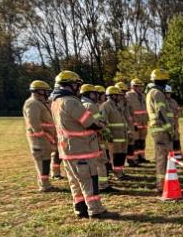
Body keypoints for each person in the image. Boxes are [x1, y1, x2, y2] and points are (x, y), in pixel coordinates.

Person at [50, 71, 115, 219]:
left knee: (75, 182)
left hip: (67, 149)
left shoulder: (56, 102)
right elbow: (88, 122)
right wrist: (100, 127)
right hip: (81, 149)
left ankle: (80, 209)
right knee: (89, 180)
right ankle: (95, 209)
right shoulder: (71, 102)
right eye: (76, 84)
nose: (78, 88)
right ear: (68, 85)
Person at [23, 79, 58, 191]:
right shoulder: (32, 103)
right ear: (39, 91)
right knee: (43, 162)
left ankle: (46, 183)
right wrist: (41, 136)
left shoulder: (39, 103)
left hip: (45, 138)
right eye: (45, 91)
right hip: (39, 139)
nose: (47, 94)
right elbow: (34, 122)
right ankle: (44, 185)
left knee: (46, 161)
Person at [145, 68, 176, 188]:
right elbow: (160, 113)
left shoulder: (152, 92)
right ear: (162, 81)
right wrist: (169, 128)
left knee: (162, 157)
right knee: (163, 158)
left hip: (158, 129)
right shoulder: (157, 93)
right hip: (161, 130)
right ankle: (162, 185)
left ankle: (164, 183)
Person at [81, 84, 111, 192]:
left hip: (90, 138)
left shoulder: (83, 104)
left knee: (97, 161)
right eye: (94, 93)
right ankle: (103, 185)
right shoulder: (90, 105)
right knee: (100, 161)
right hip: (96, 138)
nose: (96, 96)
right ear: (89, 94)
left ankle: (101, 183)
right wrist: (106, 131)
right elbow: (98, 123)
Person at [102, 85, 129, 180]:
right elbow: (103, 121)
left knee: (122, 155)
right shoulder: (105, 106)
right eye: (119, 95)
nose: (121, 97)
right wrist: (108, 134)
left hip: (122, 135)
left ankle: (121, 171)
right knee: (116, 155)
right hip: (114, 136)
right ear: (113, 96)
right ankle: (117, 174)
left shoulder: (117, 105)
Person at [124, 79, 147, 165]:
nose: (140, 88)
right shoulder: (128, 95)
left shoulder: (143, 96)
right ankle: (135, 158)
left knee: (142, 141)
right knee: (135, 141)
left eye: (141, 86)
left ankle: (142, 156)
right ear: (133, 86)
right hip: (134, 123)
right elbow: (128, 111)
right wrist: (133, 123)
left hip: (143, 122)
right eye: (138, 86)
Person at [164, 83, 182, 158]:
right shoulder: (162, 102)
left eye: (169, 93)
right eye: (166, 93)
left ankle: (178, 156)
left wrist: (176, 125)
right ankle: (167, 156)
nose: (168, 94)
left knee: (176, 140)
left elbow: (177, 112)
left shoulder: (174, 102)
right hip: (165, 125)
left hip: (174, 124)